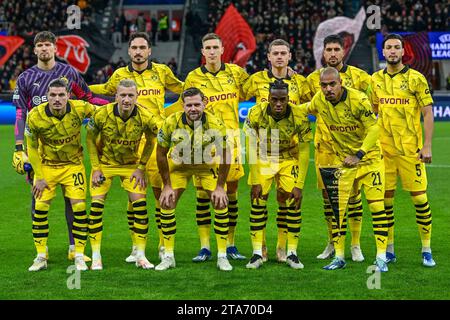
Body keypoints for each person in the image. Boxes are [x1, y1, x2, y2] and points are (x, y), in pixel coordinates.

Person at [89, 32, 184, 264]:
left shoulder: (162, 72)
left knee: (160, 195)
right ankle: (136, 247)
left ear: (149, 51)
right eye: (135, 47)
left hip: (155, 140)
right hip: (129, 143)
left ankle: (163, 246)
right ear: (129, 51)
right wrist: (79, 87)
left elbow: (185, 90)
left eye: (143, 47)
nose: (139, 51)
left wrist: (166, 115)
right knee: (134, 199)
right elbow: (104, 89)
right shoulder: (120, 75)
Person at [12, 31, 105, 263]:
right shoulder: (25, 78)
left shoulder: (69, 73)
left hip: (70, 153)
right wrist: (19, 147)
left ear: (56, 49)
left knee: (73, 201)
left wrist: (114, 105)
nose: (44, 49)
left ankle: (74, 246)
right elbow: (21, 113)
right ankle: (41, 253)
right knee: (39, 198)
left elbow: (88, 97)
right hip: (40, 153)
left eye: (48, 45)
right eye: (40, 45)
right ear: (34, 50)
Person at [300, 67, 389, 272]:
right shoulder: (320, 100)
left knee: (376, 207)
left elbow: (375, 128)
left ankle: (381, 257)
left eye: (332, 84)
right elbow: (305, 109)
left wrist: (359, 154)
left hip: (369, 160)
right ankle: (339, 256)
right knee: (338, 210)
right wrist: (281, 106)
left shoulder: (358, 100)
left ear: (341, 82)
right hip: (344, 163)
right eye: (324, 85)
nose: (328, 88)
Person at [242, 38, 312, 263]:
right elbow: (237, 93)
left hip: (289, 151)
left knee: (288, 199)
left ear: (290, 56)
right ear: (269, 57)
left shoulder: (300, 82)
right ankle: (259, 249)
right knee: (258, 200)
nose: (280, 57)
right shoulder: (256, 80)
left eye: (284, 53)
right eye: (276, 53)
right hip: (263, 153)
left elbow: (317, 101)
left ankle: (284, 249)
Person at [180, 33, 249, 262]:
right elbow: (186, 108)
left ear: (222, 50)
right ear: (202, 52)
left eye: (215, 47)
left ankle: (230, 244)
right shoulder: (193, 77)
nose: (211, 51)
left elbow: (254, 90)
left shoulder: (236, 73)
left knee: (231, 193)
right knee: (202, 195)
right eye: (207, 47)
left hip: (231, 141)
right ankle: (205, 246)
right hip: (203, 141)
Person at [306, 34, 372, 262]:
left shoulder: (360, 77)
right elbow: (303, 105)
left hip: (349, 149)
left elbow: (374, 106)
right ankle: (332, 242)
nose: (332, 54)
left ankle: (355, 244)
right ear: (323, 53)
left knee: (353, 196)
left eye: (336, 49)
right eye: (328, 50)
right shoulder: (313, 79)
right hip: (324, 148)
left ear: (343, 52)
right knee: (328, 198)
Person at [371, 33, 436, 267]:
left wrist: (427, 145)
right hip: (384, 152)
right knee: (385, 202)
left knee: (420, 199)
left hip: (411, 151)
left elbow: (428, 113)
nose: (392, 51)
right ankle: (389, 249)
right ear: (383, 52)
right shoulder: (375, 79)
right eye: (388, 48)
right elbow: (372, 113)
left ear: (403, 51)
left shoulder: (416, 79)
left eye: (396, 48)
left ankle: (426, 249)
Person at [86, 79, 160, 270]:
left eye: (130, 95)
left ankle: (141, 255)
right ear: (116, 96)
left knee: (141, 207)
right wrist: (96, 168)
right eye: (123, 95)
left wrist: (141, 167)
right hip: (105, 164)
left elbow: (152, 141)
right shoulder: (101, 114)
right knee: (95, 209)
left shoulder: (146, 117)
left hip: (130, 166)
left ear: (136, 96)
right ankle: (96, 256)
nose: (126, 99)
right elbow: (89, 139)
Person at [156, 87, 233, 271]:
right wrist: (166, 185)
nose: (193, 109)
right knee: (167, 202)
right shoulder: (170, 122)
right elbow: (160, 153)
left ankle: (222, 256)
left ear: (204, 103)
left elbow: (226, 154)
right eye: (189, 105)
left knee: (221, 202)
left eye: (197, 104)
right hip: (179, 167)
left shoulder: (215, 123)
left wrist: (221, 186)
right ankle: (168, 256)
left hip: (206, 167)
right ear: (182, 106)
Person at [25, 79, 95, 272]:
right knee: (40, 208)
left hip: (73, 166)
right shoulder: (35, 115)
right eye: (53, 95)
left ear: (68, 96)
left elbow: (101, 112)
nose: (57, 99)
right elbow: (30, 146)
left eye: (61, 95)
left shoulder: (80, 108)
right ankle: (40, 256)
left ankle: (79, 255)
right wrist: (38, 176)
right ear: (47, 96)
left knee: (79, 207)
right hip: (47, 166)